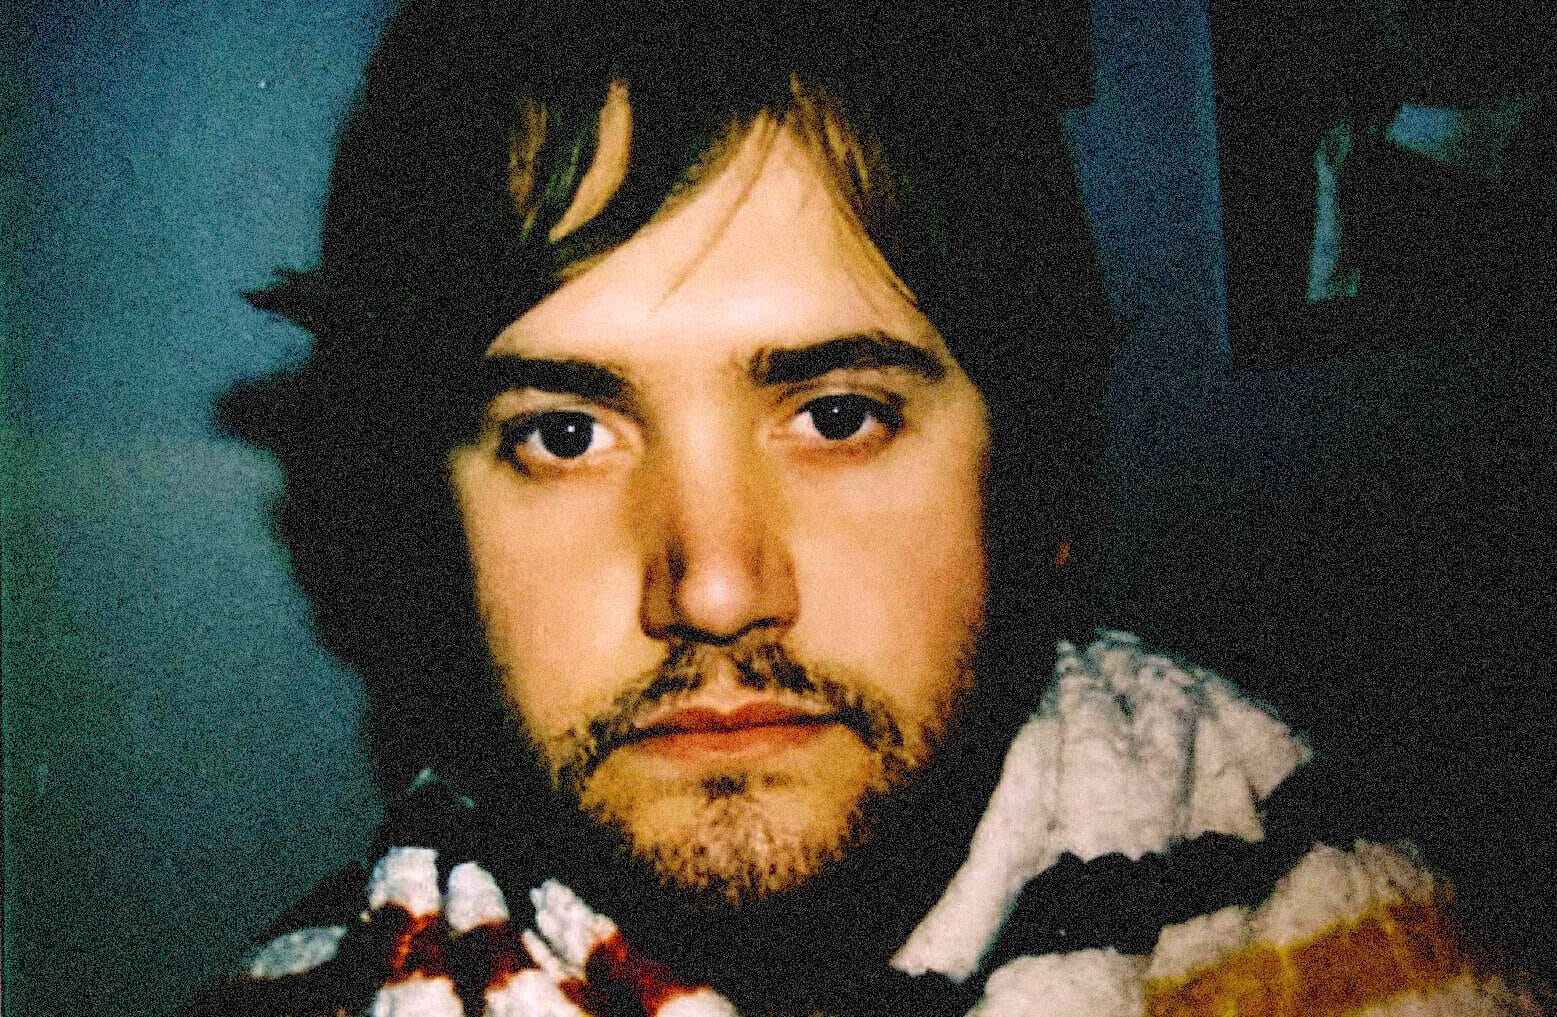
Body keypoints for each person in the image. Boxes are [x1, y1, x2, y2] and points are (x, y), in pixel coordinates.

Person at [195, 2, 1549, 1014]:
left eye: (836, 414)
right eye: (563, 432)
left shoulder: (1348, 937)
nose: (714, 586)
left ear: (1036, 483)